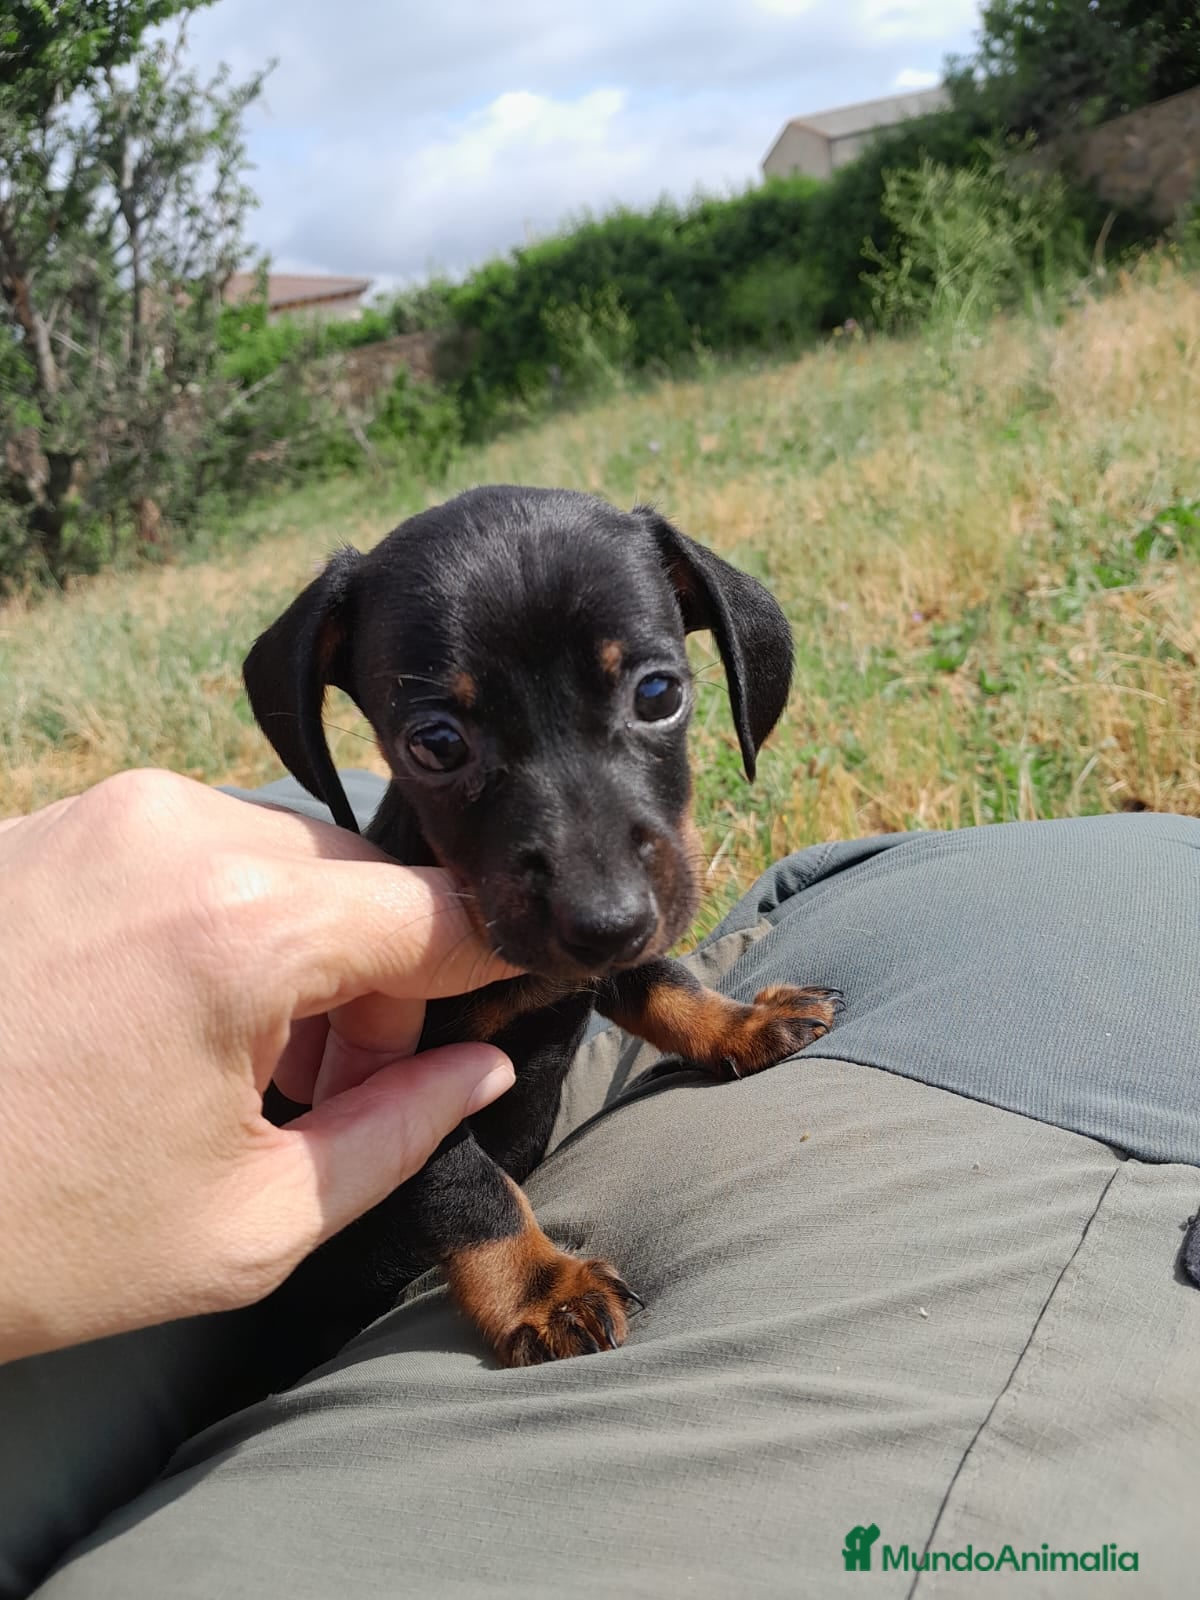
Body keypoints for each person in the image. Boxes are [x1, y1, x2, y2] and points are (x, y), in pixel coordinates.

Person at [2, 767, 1199, 1597]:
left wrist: (709, 1022)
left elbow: (605, 961)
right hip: (290, 1295)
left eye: (651, 699)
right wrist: (516, 1271)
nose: (591, 860)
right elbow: (405, 1094)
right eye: (444, 743)